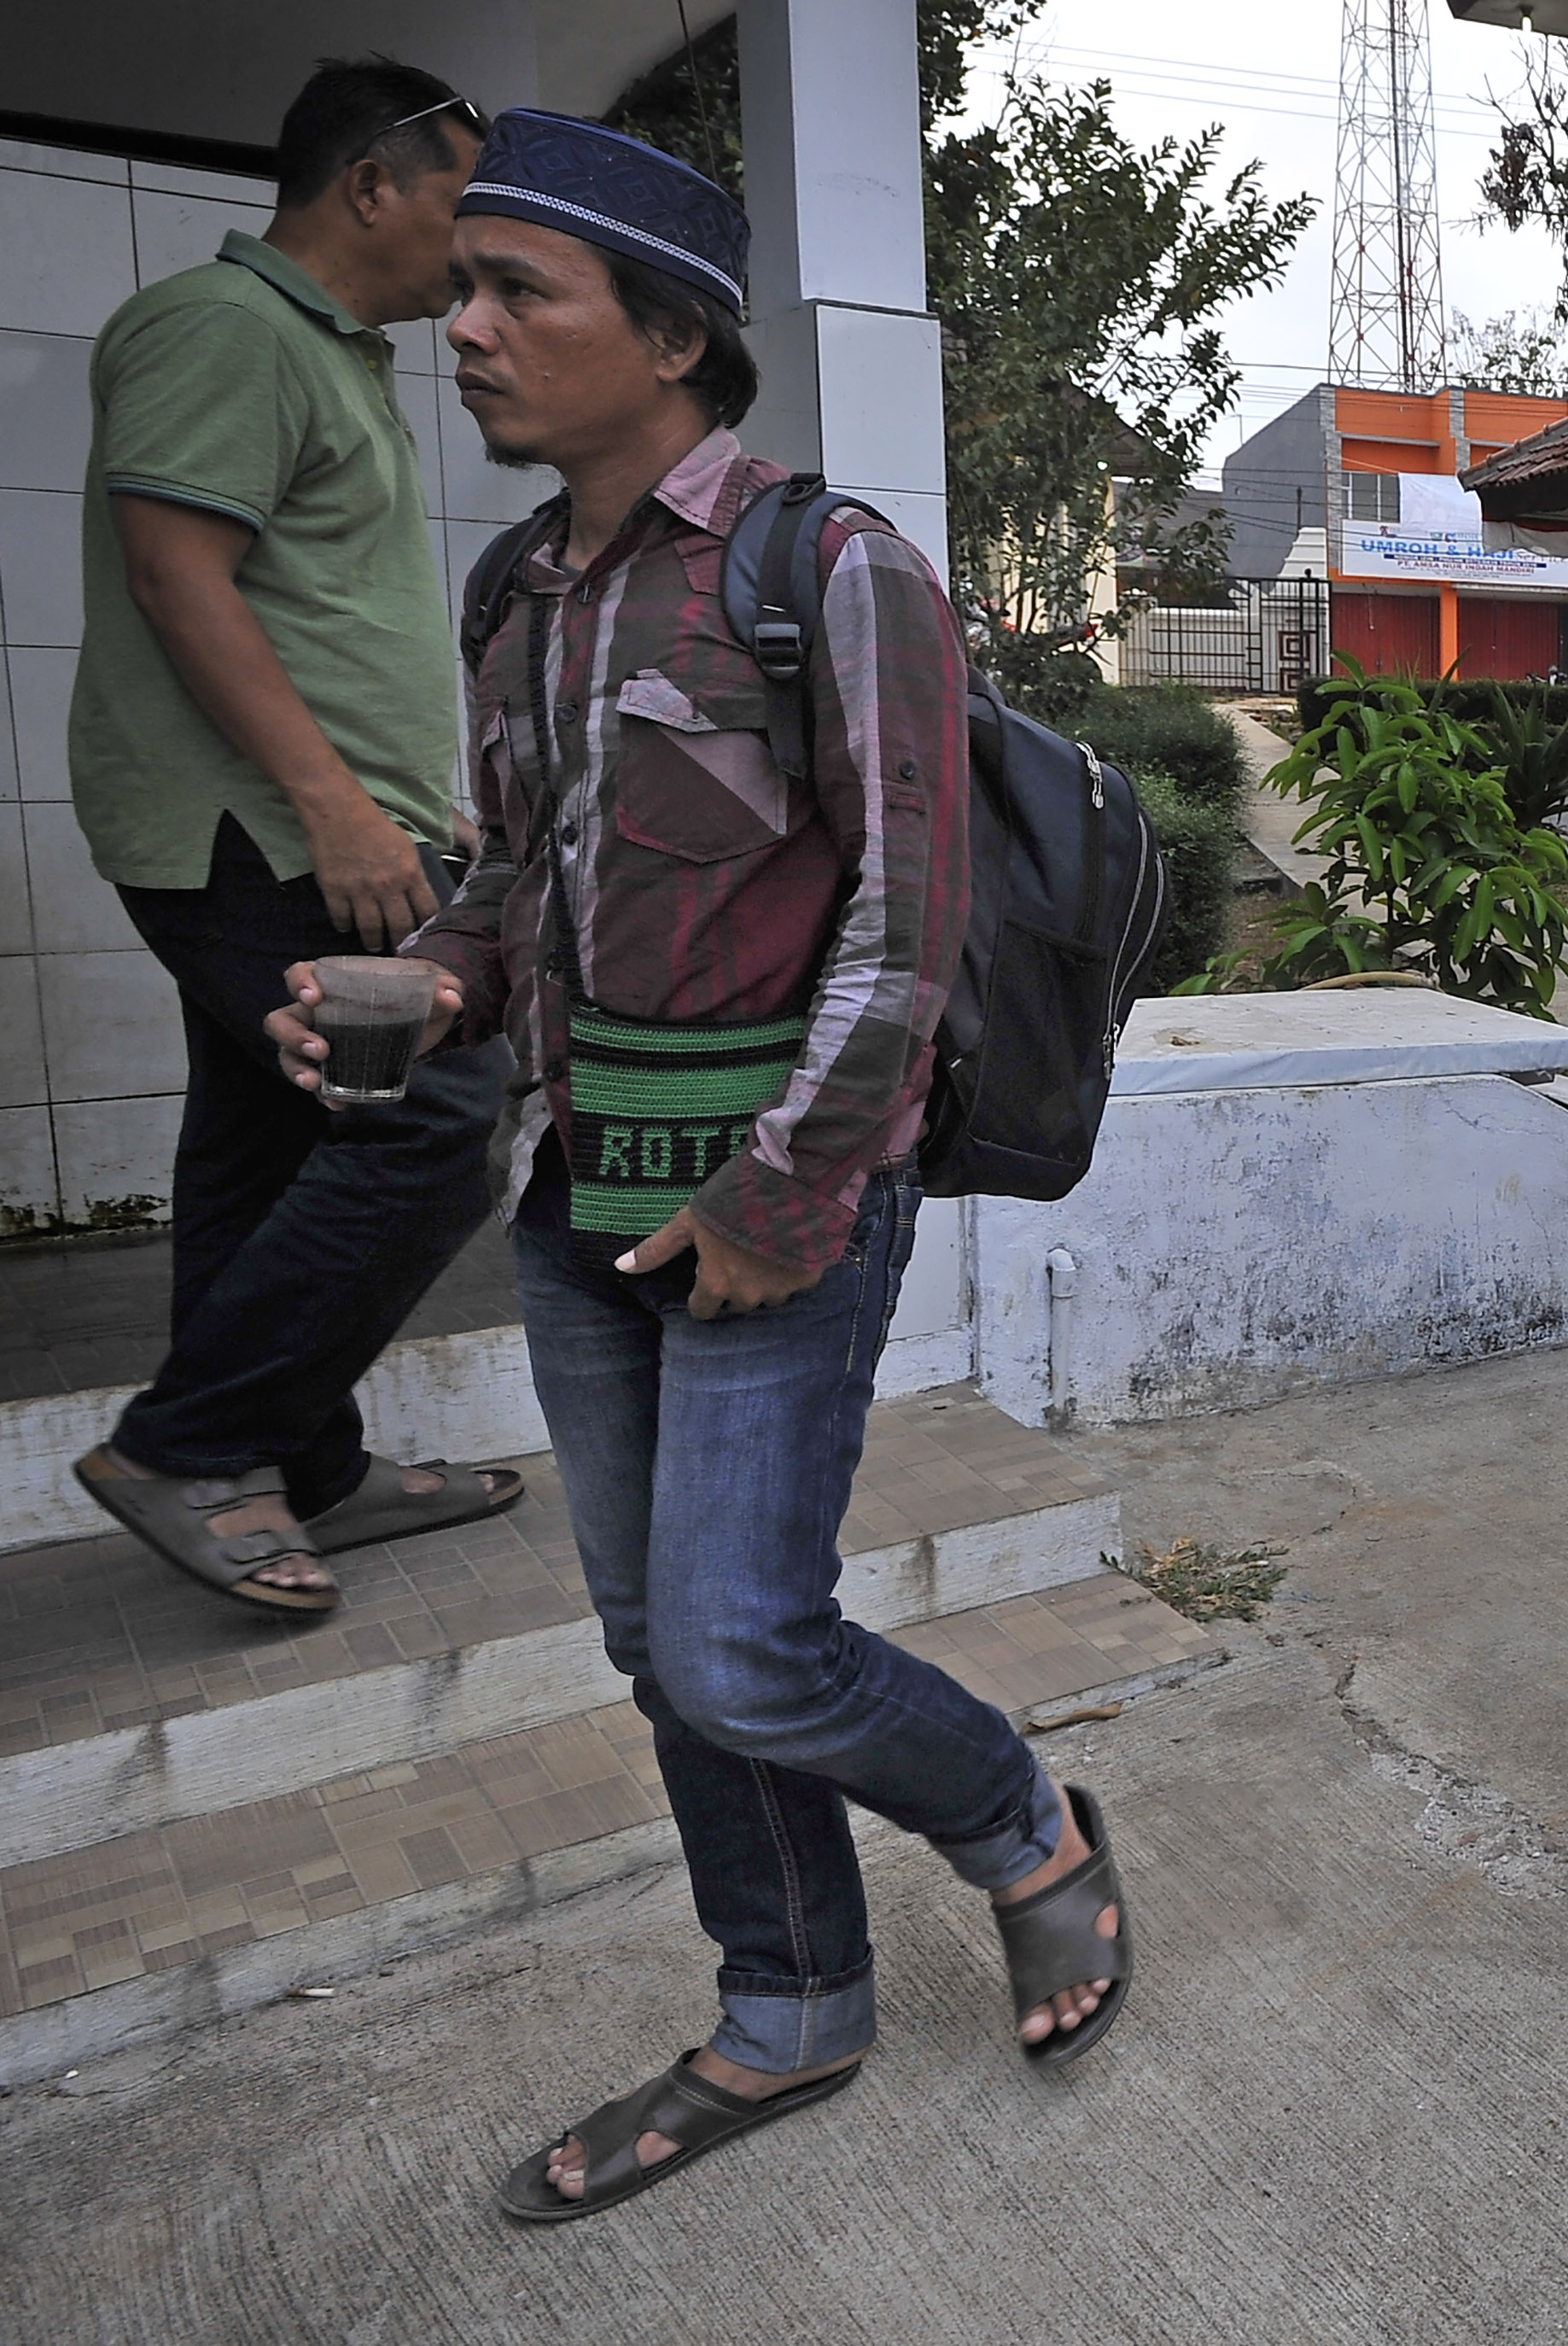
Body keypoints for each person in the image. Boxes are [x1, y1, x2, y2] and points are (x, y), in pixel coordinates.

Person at [262, 111, 1126, 2221]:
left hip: (774, 1205)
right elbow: (509, 894)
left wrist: (775, 1200)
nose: (458, 328)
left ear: (669, 335)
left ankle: (1025, 1823)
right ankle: (791, 1998)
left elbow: (906, 933)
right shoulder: (518, 589)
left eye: (513, 291)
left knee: (745, 1642)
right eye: (456, 285)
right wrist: (430, 991)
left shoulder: (828, 571)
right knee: (665, 1650)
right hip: (576, 1197)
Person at [63, 61, 524, 1615]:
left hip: (306, 817)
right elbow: (175, 578)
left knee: (264, 1145)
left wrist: (404, 790)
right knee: (435, 1114)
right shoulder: (226, 330)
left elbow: (311, 611)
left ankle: (302, 1464)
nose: (473, 249)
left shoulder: (323, 354)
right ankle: (194, 1442)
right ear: (373, 184)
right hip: (256, 829)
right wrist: (337, 805)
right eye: (462, 199)